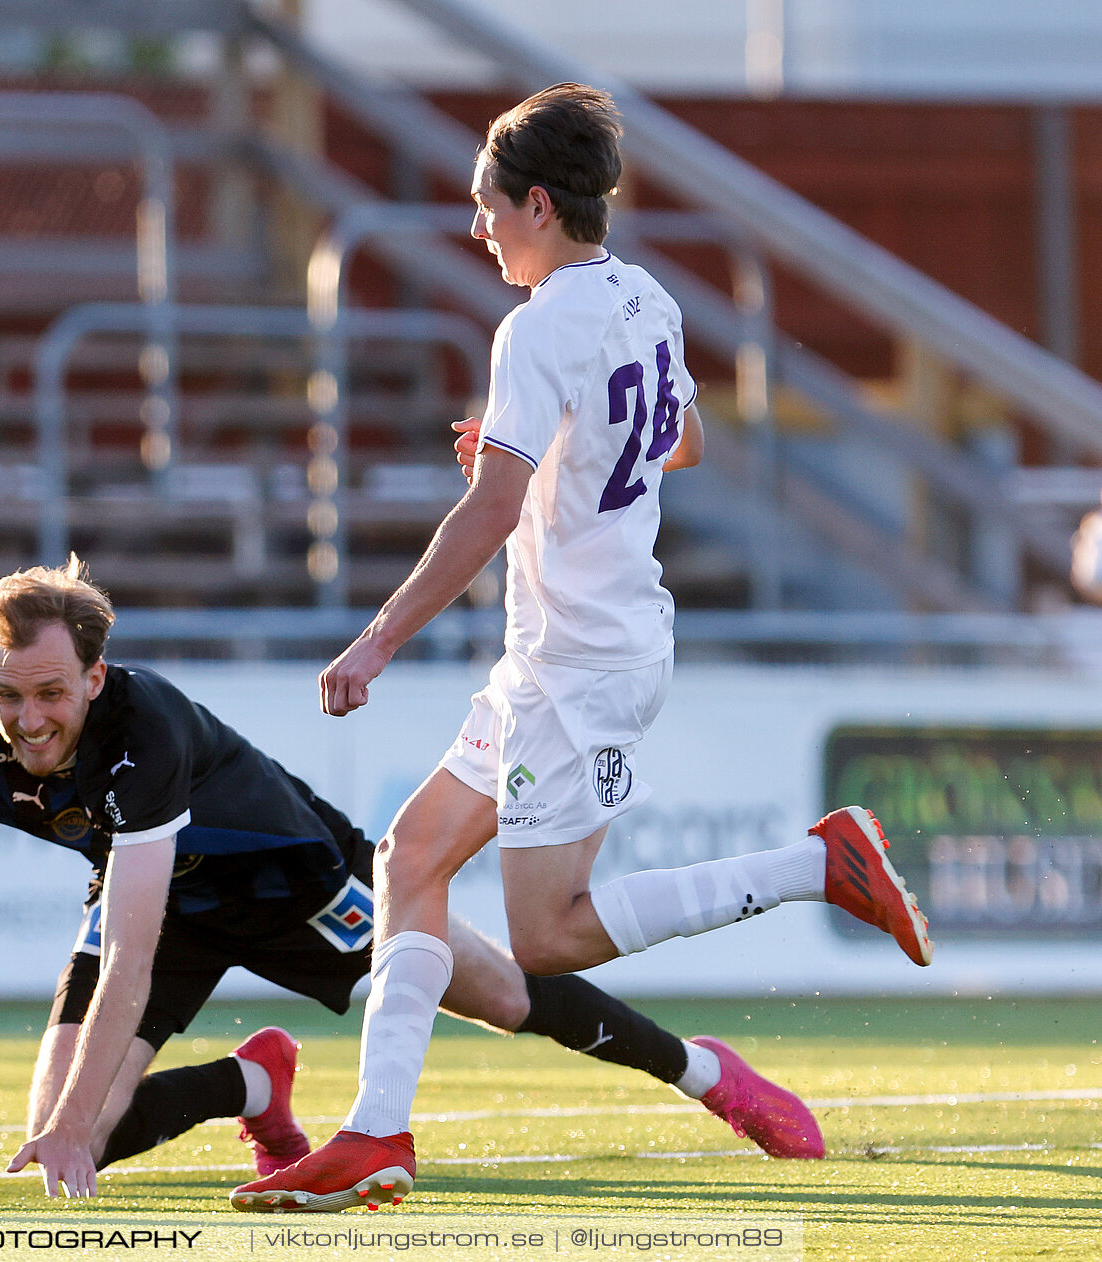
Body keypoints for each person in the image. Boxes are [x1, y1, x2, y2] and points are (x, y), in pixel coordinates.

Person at [230, 83, 932, 1214]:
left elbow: (488, 514)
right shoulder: (644, 298)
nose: (478, 228)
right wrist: (544, 454)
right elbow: (683, 441)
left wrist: (376, 637)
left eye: (486, 206)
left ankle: (816, 864)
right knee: (410, 860)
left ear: (539, 204)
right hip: (562, 656)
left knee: (545, 936)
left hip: (578, 667)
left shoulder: (536, 322)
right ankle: (375, 1131)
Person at [0, 559, 825, 1201]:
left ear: (96, 676)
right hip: (154, 897)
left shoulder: (142, 730)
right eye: (13, 695)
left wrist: (65, 1121)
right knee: (63, 1139)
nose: (32, 718)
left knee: (503, 991)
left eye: (53, 692)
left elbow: (136, 959)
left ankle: (710, 1074)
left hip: (282, 868)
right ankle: (251, 1084)